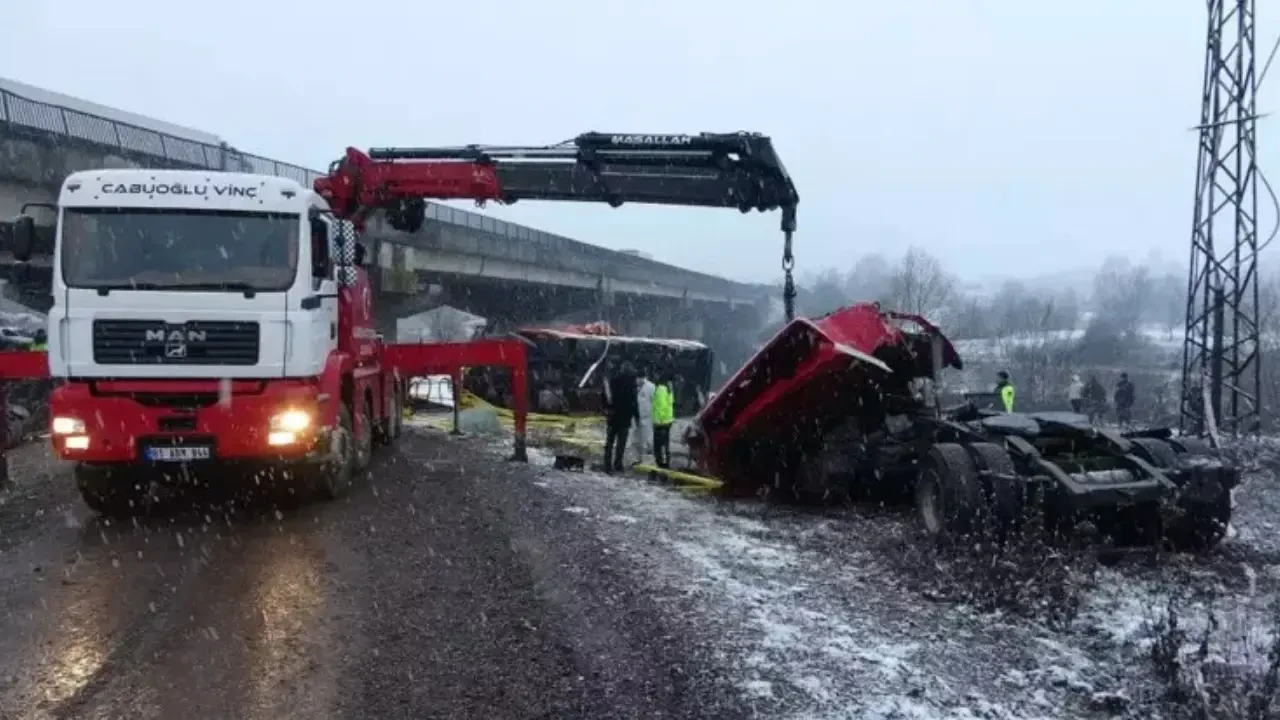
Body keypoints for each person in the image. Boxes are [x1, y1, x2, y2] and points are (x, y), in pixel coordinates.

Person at [602, 361, 640, 473]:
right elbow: (634, 402)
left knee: (609, 442)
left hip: (613, 416)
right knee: (621, 444)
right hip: (625, 418)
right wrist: (636, 416)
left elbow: (606, 396)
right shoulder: (632, 384)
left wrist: (606, 409)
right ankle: (618, 464)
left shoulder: (613, 381)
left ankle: (607, 465)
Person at [632, 369, 656, 465]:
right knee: (635, 441)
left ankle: (650, 463)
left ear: (642, 378)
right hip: (636, 418)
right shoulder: (635, 387)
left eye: (638, 379)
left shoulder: (651, 387)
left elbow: (655, 402)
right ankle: (638, 459)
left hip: (647, 418)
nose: (636, 381)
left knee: (648, 441)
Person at [651, 374, 675, 468]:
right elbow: (670, 404)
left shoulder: (660, 389)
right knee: (665, 446)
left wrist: (658, 421)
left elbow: (661, 406)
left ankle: (660, 465)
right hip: (667, 421)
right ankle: (665, 464)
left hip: (660, 423)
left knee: (658, 447)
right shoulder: (669, 389)